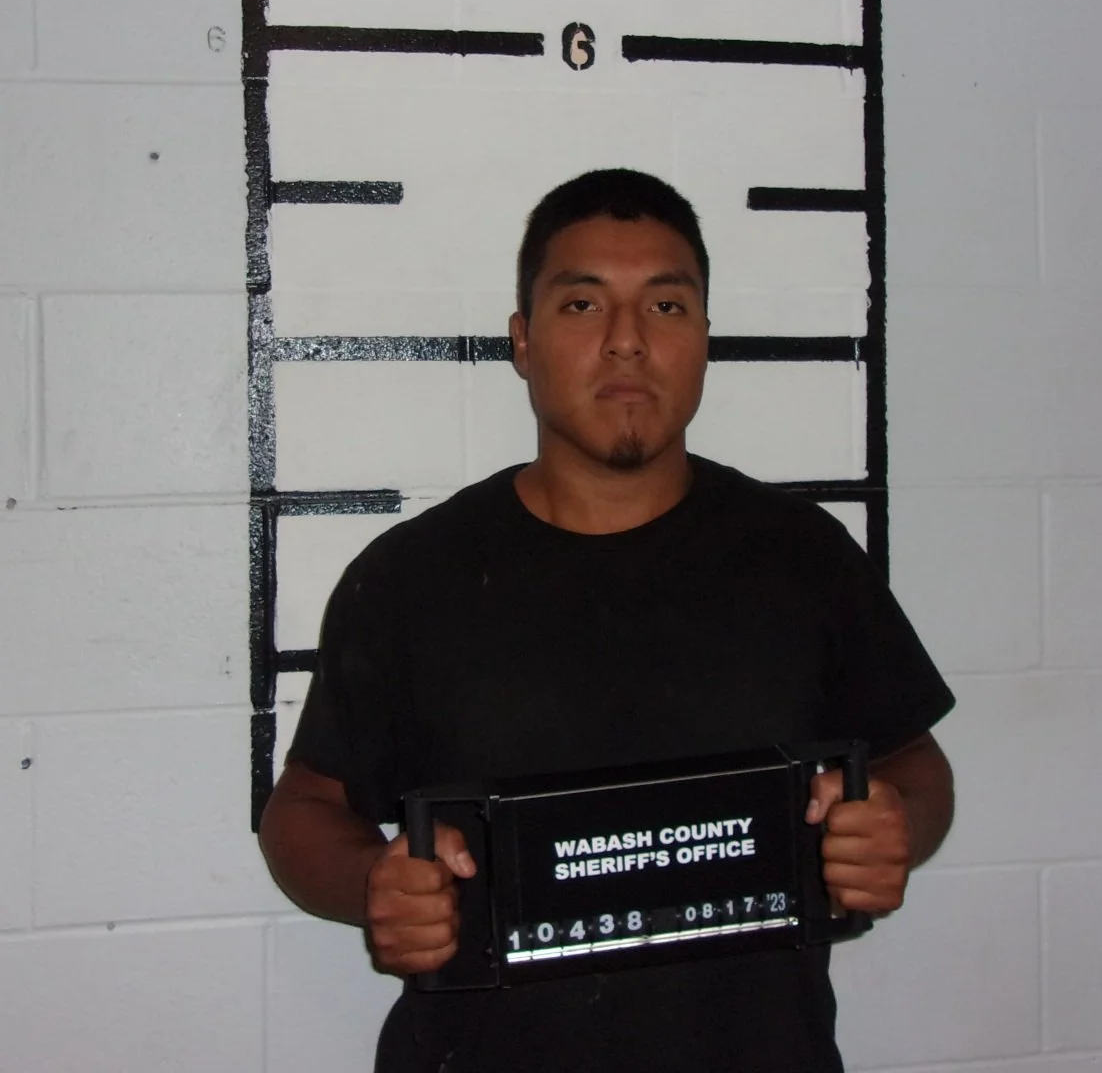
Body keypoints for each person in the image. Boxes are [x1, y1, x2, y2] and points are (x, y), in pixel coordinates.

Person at [259, 168, 955, 1072]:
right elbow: (304, 809)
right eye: (582, 304)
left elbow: (914, 764)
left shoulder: (804, 557)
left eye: (666, 307)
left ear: (704, 337)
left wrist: (894, 826)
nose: (627, 341)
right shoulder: (409, 578)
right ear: (523, 340)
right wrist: (372, 883)